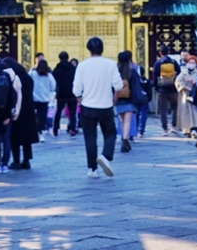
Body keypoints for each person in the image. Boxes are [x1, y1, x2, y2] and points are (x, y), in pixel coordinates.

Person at [72, 37, 121, 178]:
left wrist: (79, 99)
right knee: (110, 134)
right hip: (106, 105)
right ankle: (105, 156)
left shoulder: (82, 65)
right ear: (102, 48)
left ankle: (92, 169)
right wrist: (114, 98)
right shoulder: (110, 64)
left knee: (90, 138)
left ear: (89, 50)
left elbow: (76, 88)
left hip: (88, 106)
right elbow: (118, 85)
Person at [6, 56, 38, 170]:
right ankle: (26, 160)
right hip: (28, 110)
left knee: (15, 137)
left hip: (17, 110)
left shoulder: (13, 78)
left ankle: (16, 160)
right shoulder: (27, 77)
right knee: (26, 139)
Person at [114, 51, 138, 152]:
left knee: (122, 120)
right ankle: (125, 140)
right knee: (128, 121)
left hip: (118, 99)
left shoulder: (115, 72)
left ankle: (124, 138)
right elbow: (136, 86)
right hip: (130, 100)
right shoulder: (132, 72)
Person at [52, 51, 78, 137]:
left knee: (58, 111)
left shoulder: (57, 69)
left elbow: (53, 80)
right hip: (72, 93)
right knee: (72, 112)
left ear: (59, 58)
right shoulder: (73, 68)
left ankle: (56, 129)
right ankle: (73, 129)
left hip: (61, 93)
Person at [151, 54, 179, 134]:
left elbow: (155, 76)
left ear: (160, 53)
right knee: (175, 108)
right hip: (173, 89)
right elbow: (179, 73)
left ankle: (165, 128)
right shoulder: (174, 62)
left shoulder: (158, 63)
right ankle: (173, 126)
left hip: (162, 90)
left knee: (163, 109)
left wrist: (156, 87)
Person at [30, 55, 56, 140]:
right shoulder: (48, 75)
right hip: (44, 99)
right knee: (42, 116)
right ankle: (41, 131)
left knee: (34, 115)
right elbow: (53, 86)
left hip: (33, 98)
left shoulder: (32, 73)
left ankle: (34, 130)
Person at [175, 54, 197, 137]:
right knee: (186, 114)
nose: (191, 64)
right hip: (185, 96)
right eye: (190, 62)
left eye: (193, 63)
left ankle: (195, 129)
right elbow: (177, 82)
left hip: (195, 96)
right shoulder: (183, 73)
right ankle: (187, 129)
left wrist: (192, 82)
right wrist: (184, 86)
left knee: (195, 114)